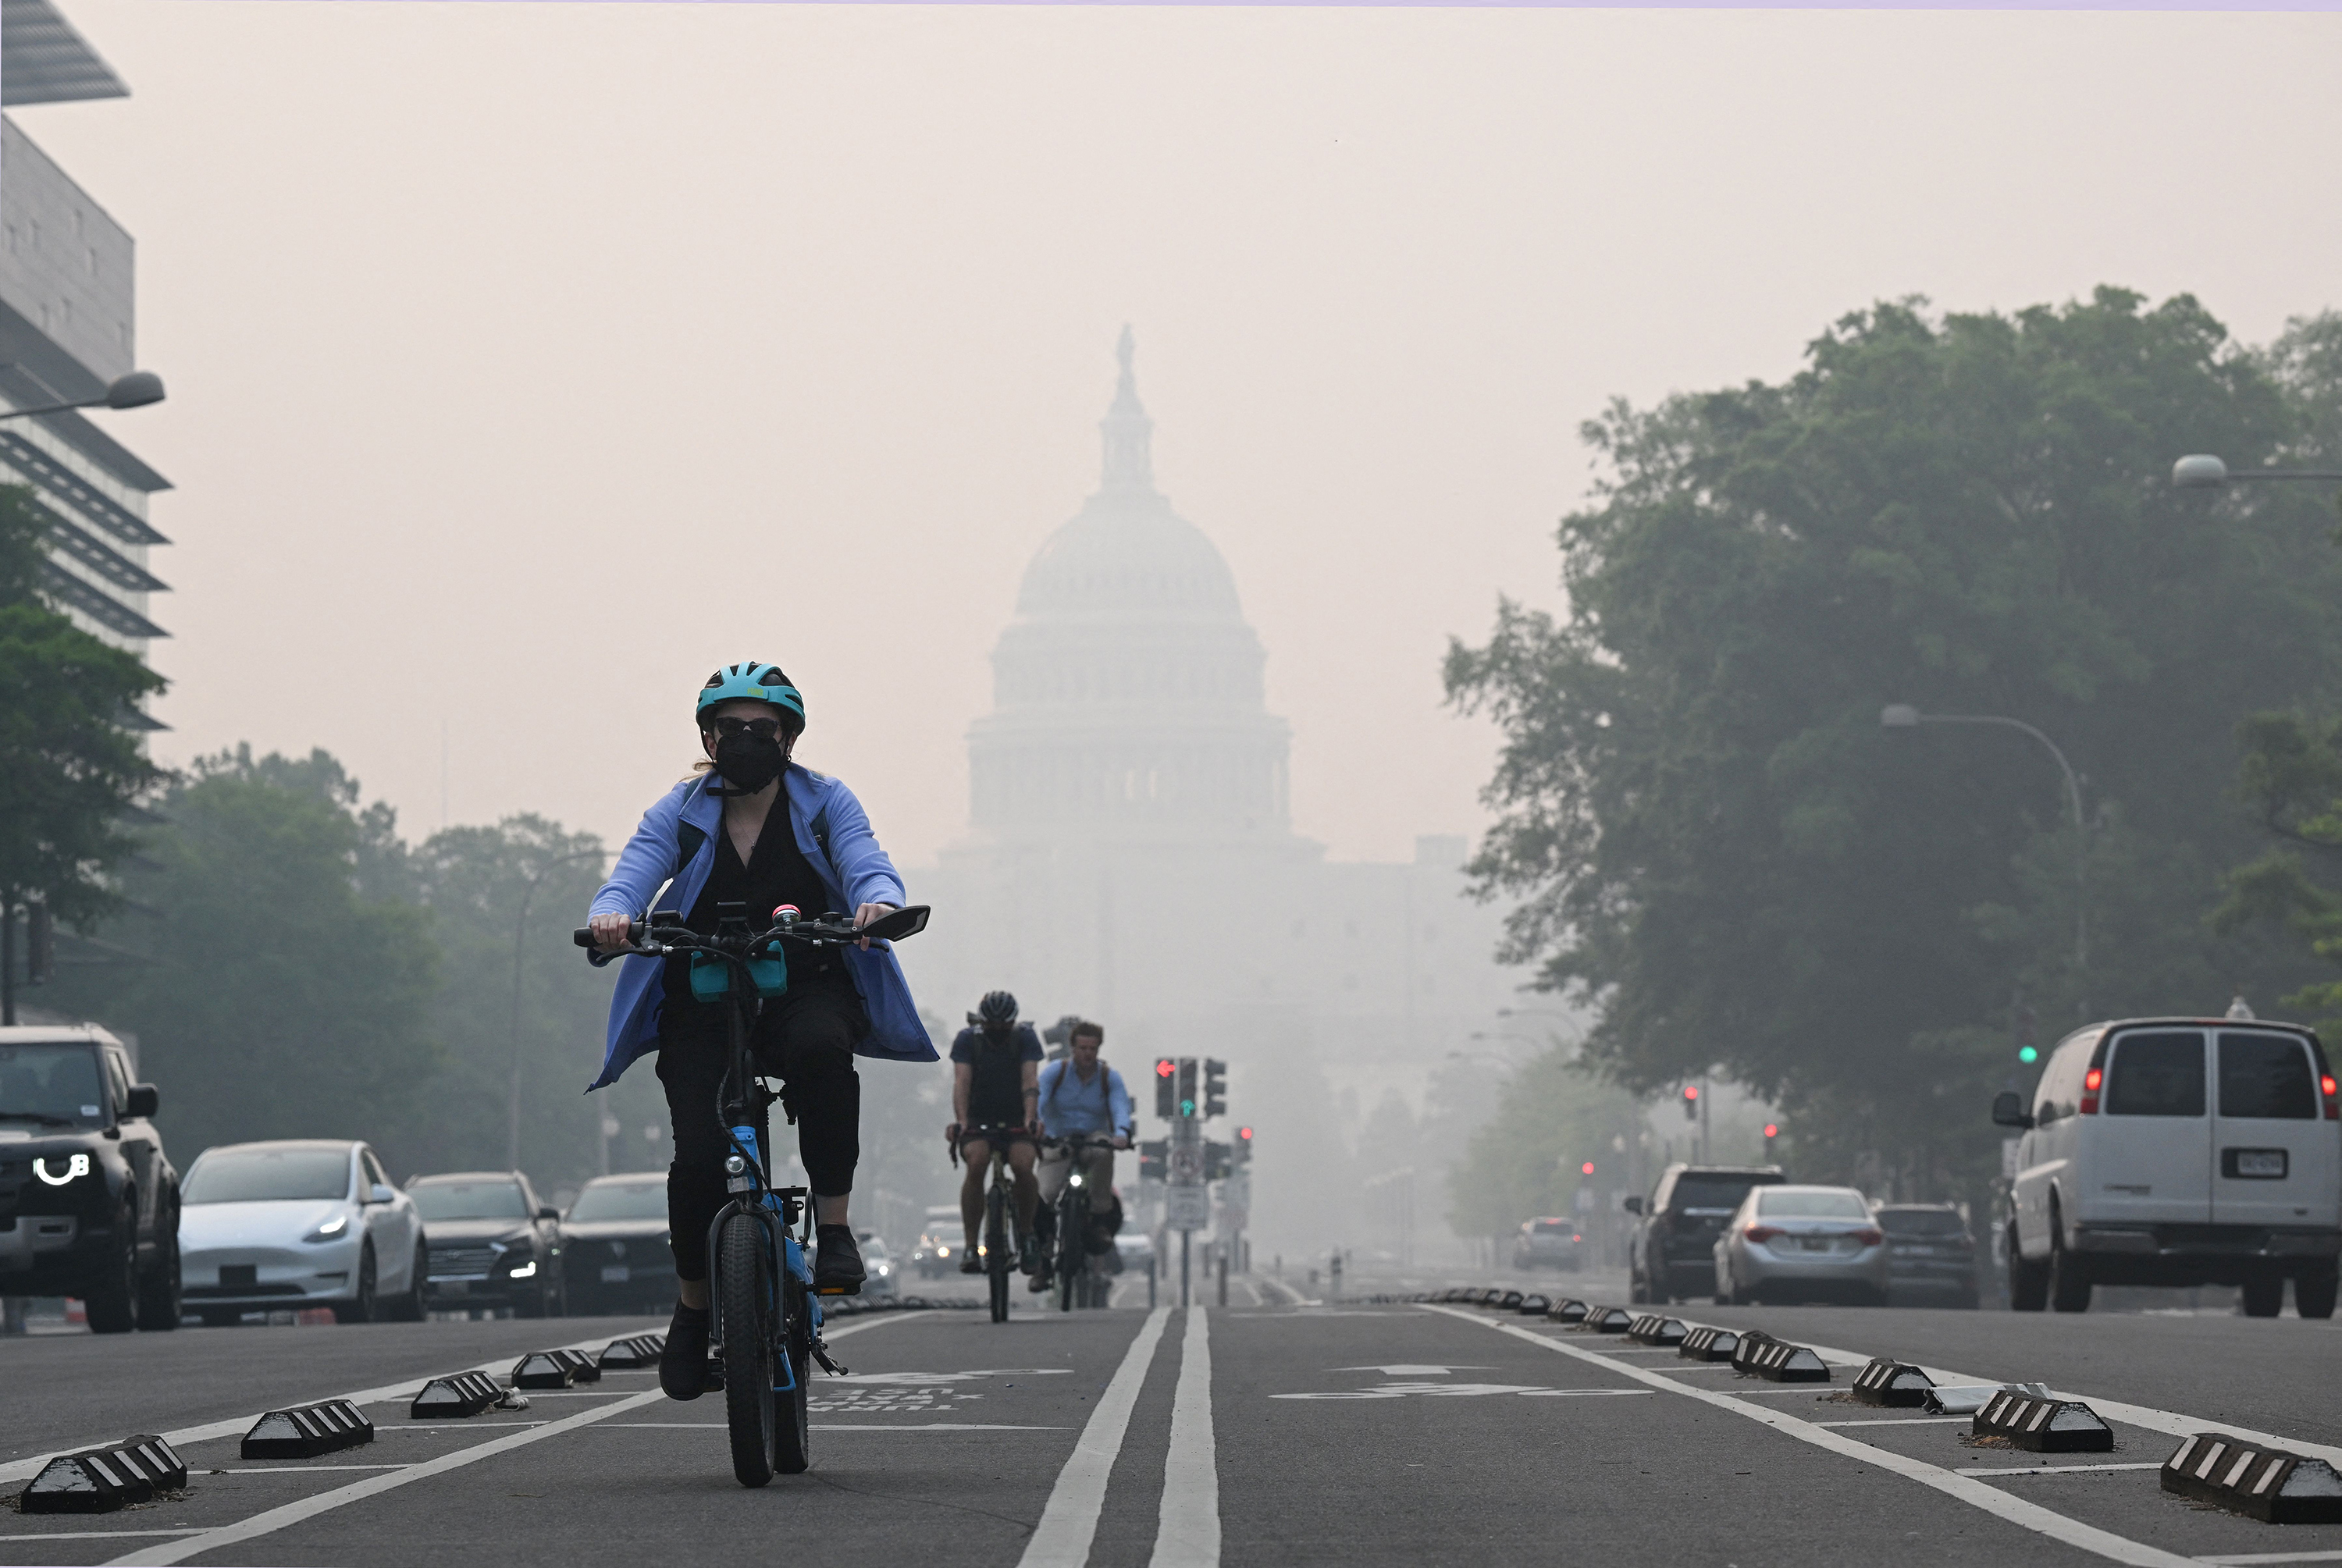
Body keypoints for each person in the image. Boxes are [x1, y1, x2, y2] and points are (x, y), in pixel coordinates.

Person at [586, 660, 935, 1402]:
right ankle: (692, 1307)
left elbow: (866, 861)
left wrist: (876, 904)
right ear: (708, 737)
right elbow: (634, 872)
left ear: (790, 738)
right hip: (705, 998)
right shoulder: (678, 811)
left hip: (805, 985)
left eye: (763, 728)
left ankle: (835, 1227)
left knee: (822, 1052)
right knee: (697, 1160)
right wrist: (615, 914)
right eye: (731, 728)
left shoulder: (824, 802)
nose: (746, 740)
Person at [1030, 1020, 1133, 1291]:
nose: (1087, 1054)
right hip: (1058, 1140)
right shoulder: (1056, 1072)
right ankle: (1043, 1257)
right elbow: (1038, 1101)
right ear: (1072, 1048)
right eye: (1082, 1048)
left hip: (1090, 1140)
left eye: (1092, 1048)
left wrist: (1122, 1133)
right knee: (1043, 1195)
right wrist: (1036, 1125)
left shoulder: (1108, 1077)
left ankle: (1098, 1219)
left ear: (1099, 1049)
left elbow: (1120, 1106)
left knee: (1103, 1150)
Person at [949, 991, 1045, 1276]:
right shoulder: (968, 1040)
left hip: (1016, 1119)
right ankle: (970, 1245)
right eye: (993, 1027)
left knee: (1023, 1166)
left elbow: (1030, 1080)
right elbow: (961, 1083)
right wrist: (962, 1121)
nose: (999, 1033)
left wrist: (1030, 1118)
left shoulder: (1025, 1038)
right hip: (979, 1118)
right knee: (977, 1163)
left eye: (1005, 1027)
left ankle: (1026, 1234)